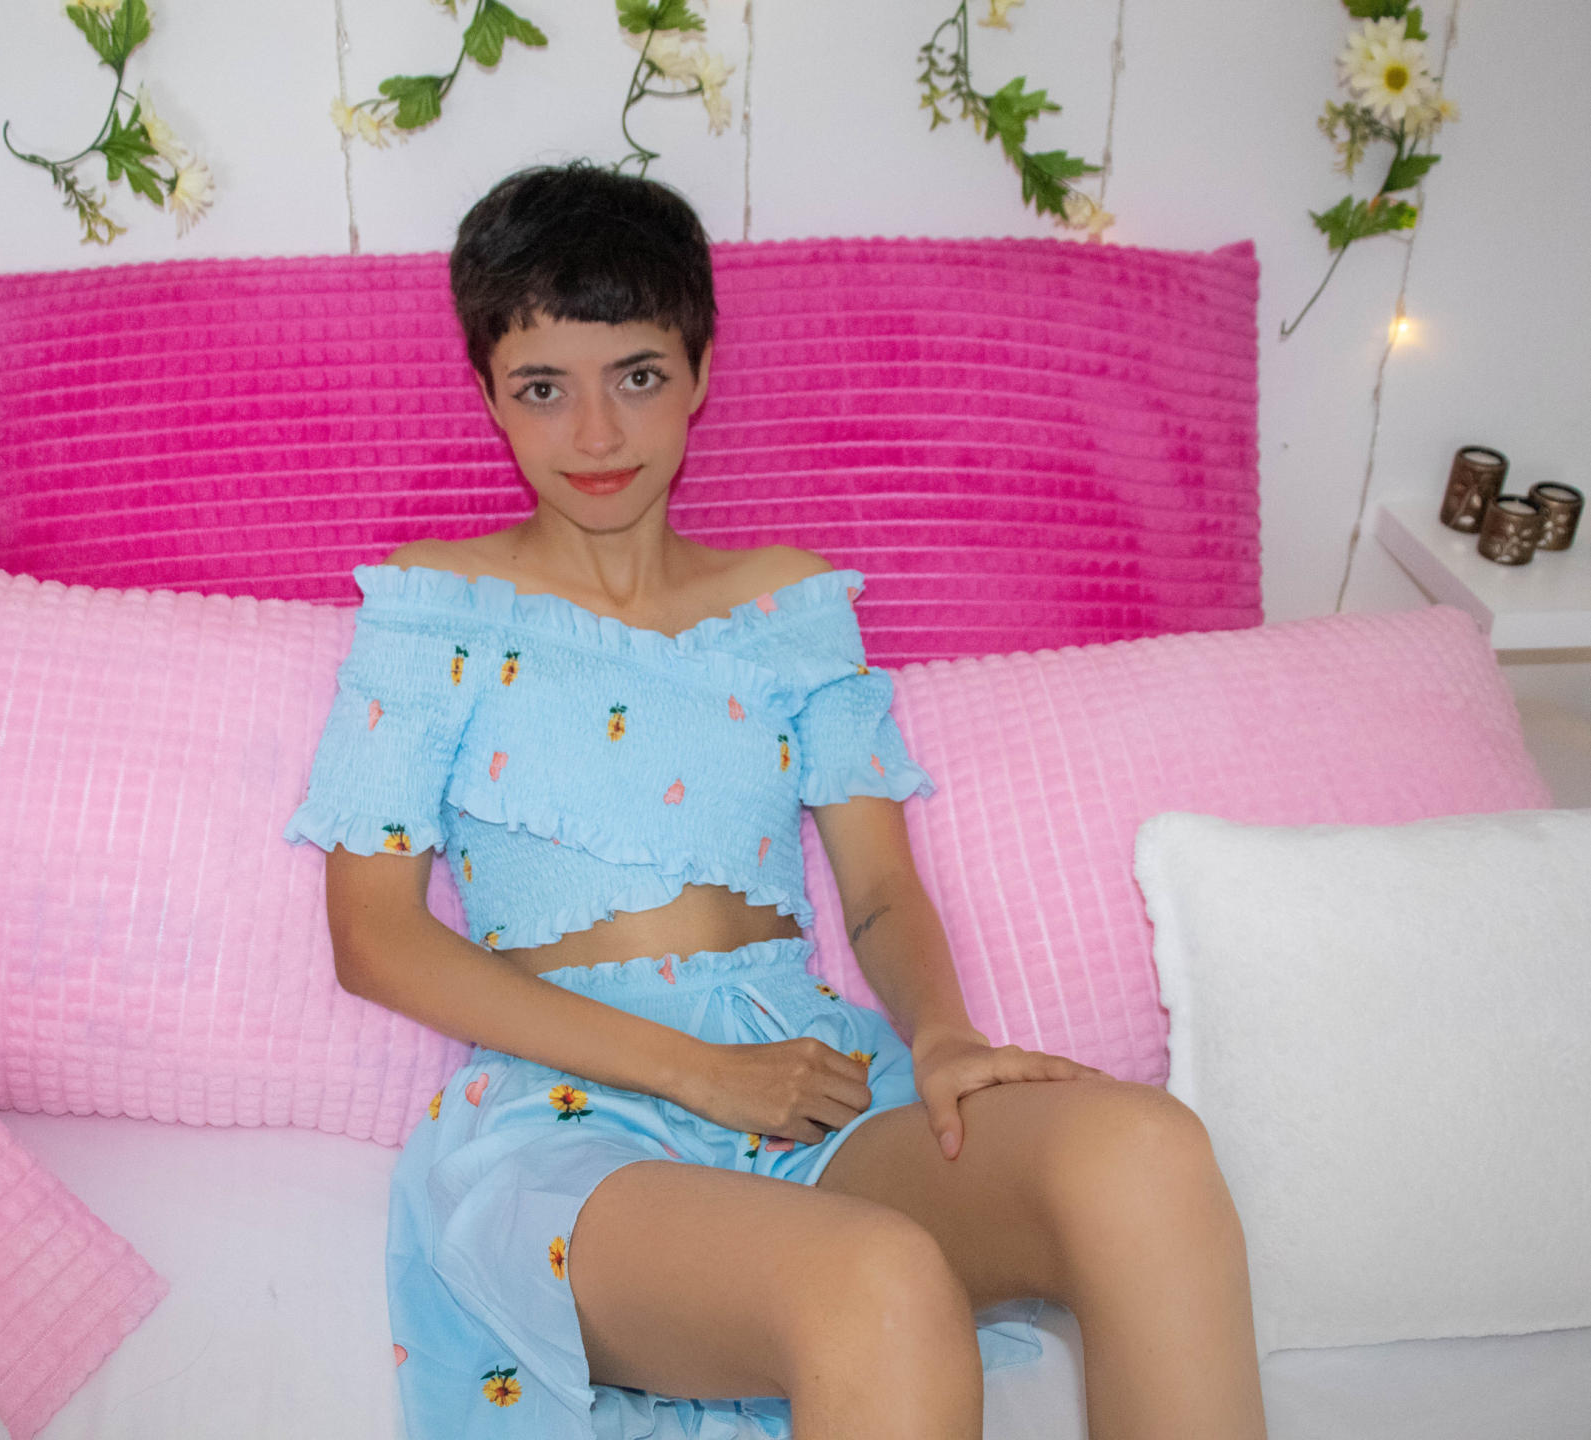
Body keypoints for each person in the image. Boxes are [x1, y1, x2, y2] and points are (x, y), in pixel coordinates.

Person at [286, 163, 1267, 1440]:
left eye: (637, 375)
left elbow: (878, 891)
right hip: (566, 1119)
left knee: (1145, 1153)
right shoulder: (432, 613)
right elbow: (372, 938)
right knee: (871, 1277)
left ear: (699, 372)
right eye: (543, 388)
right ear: (488, 397)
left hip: (805, 1083)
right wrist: (698, 1074)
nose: (596, 435)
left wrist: (941, 1036)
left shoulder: (790, 608)